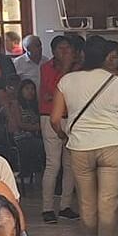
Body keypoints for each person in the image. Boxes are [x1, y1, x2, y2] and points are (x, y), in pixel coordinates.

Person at [50, 35, 118, 236]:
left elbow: (54, 118)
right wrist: (113, 130)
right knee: (108, 202)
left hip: (80, 146)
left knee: (86, 204)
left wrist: (64, 135)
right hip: (112, 145)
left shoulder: (67, 80)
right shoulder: (117, 82)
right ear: (106, 57)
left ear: (82, 55)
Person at [37, 35, 78, 223]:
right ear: (53, 52)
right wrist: (66, 68)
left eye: (68, 48)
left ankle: (65, 206)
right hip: (49, 117)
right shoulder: (46, 68)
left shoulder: (79, 69)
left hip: (71, 118)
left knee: (70, 165)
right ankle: (47, 208)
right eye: (61, 49)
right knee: (53, 164)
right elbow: (52, 90)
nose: (65, 52)